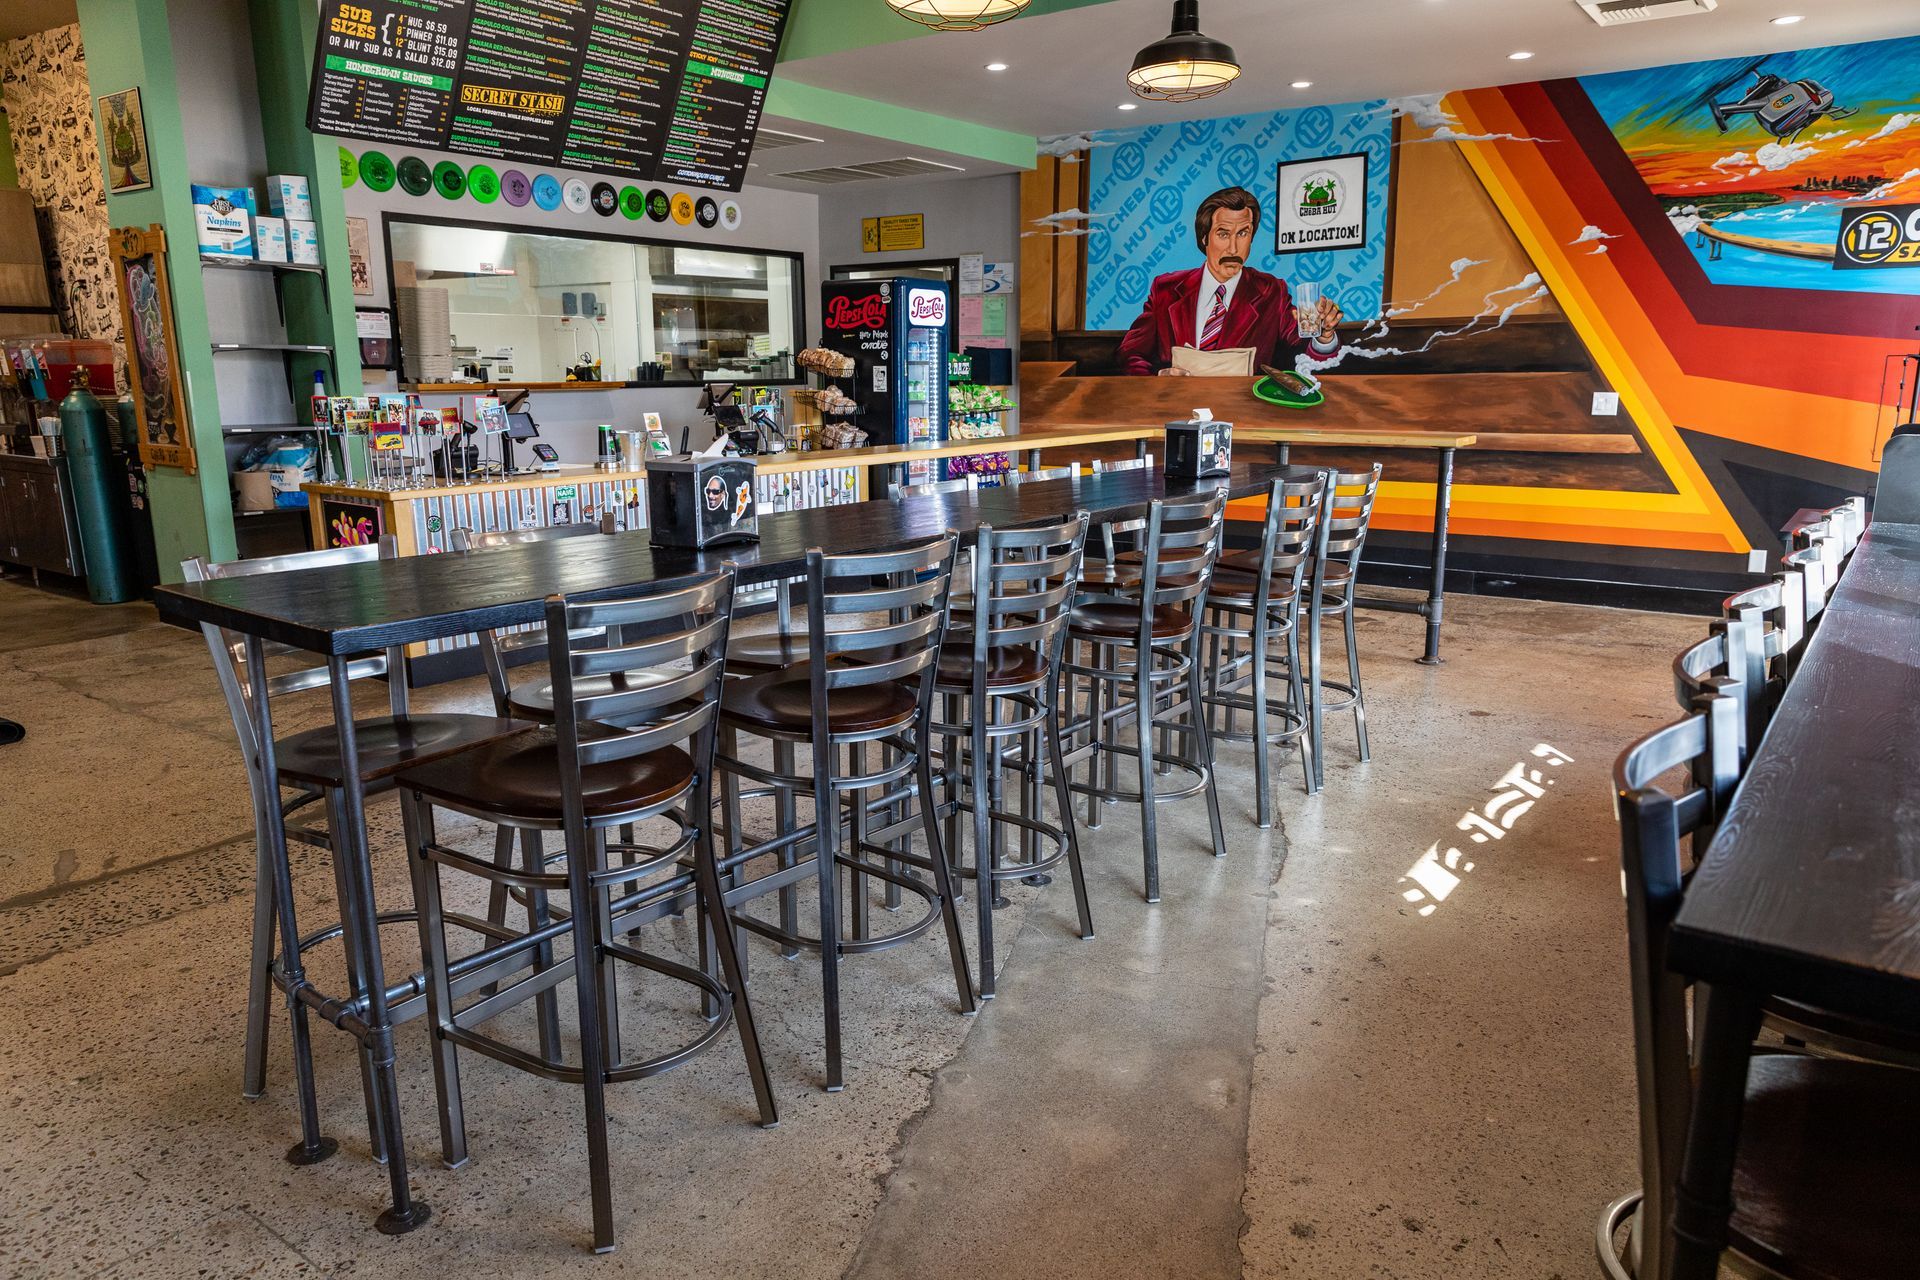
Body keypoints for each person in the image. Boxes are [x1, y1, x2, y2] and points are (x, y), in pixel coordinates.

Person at [1116, 186, 1344, 376]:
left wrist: (1324, 337)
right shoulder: (1165, 290)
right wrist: (1158, 378)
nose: (1234, 248)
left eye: (1243, 234)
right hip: (1177, 413)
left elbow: (1303, 350)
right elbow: (1131, 354)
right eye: (1223, 234)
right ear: (1204, 237)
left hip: (1242, 418)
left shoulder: (1271, 291)